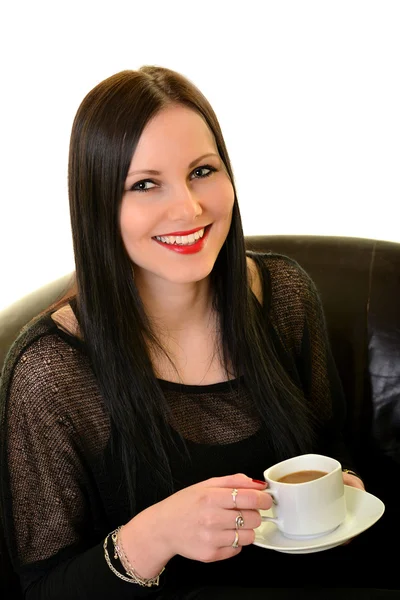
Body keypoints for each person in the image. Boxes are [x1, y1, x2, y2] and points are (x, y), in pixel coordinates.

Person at [0, 66, 367, 599]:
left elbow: (332, 446)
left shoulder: (285, 295)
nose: (189, 208)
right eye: (145, 184)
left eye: (202, 171)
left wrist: (345, 489)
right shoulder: (50, 372)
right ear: (99, 205)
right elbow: (43, 591)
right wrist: (157, 534)